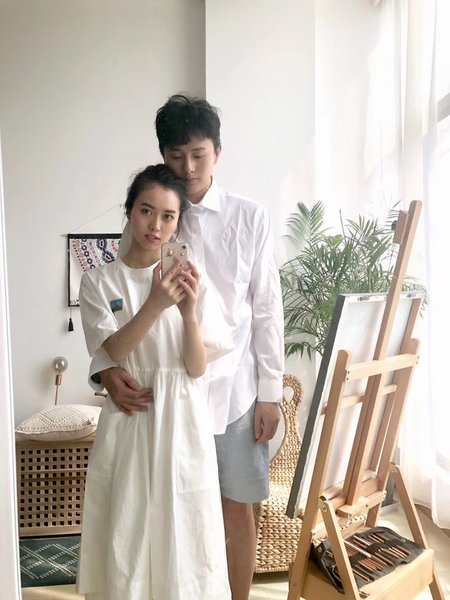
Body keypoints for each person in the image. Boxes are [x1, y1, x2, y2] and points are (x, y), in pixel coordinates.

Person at [89, 95, 285, 600]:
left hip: (234, 390)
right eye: (177, 155)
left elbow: (266, 307)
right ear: (163, 154)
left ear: (218, 152)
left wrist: (270, 392)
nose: (189, 167)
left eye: (198, 154)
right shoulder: (155, 212)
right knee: (165, 512)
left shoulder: (249, 217)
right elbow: (119, 301)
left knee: (236, 509)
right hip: (165, 400)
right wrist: (106, 372)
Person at [77, 164, 232, 600]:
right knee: (128, 523)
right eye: (146, 211)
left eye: (168, 216)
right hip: (131, 415)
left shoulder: (191, 279)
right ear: (129, 211)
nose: (156, 225)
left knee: (185, 525)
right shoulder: (98, 281)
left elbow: (197, 367)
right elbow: (115, 350)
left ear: (178, 222)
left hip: (182, 417)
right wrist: (156, 303)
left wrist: (187, 313)